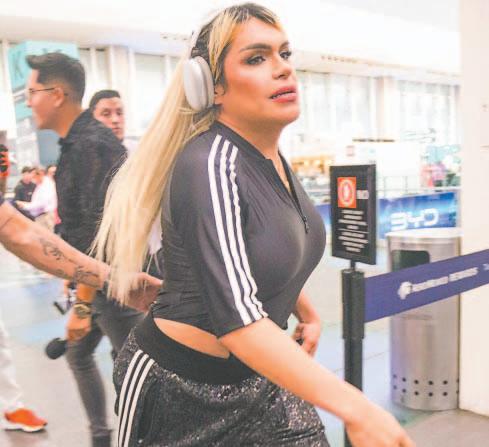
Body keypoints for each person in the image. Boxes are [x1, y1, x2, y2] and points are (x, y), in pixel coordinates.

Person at [94, 4, 415, 447]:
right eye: (257, 58)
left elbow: (262, 254)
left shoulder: (272, 158)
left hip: (260, 368)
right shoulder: (208, 163)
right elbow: (239, 320)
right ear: (212, 86)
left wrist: (307, 312)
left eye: (285, 54)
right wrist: (356, 407)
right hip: (177, 386)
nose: (282, 68)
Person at [25, 53, 143, 447]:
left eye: (32, 92)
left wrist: (82, 305)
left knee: (136, 376)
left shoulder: (90, 146)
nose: (29, 101)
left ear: (57, 95)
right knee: (81, 355)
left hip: (114, 288)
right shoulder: (79, 143)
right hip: (100, 285)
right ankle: (101, 437)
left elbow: (99, 238)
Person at [0, 195, 160, 433]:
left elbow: (20, 233)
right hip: (107, 288)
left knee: (127, 366)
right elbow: (20, 233)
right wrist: (86, 300)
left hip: (115, 286)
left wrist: (105, 284)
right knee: (87, 357)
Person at [89, 89, 163, 274]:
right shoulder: (87, 162)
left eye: (119, 113)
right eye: (106, 114)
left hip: (147, 254)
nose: (115, 120)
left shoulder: (141, 154)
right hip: (104, 261)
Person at [17, 166, 57, 231]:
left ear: (40, 174)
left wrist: (24, 205)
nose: (32, 179)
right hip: (40, 216)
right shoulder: (39, 185)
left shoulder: (47, 185)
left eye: (33, 177)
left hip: (46, 217)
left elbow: (41, 204)